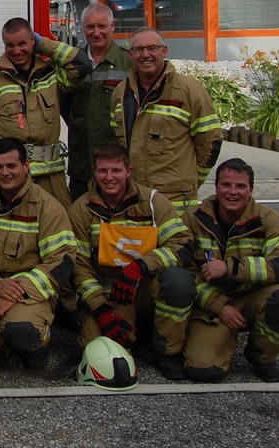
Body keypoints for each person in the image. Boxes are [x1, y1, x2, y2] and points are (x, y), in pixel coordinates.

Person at [68, 142, 195, 380]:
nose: (109, 177)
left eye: (116, 170)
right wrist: (101, 310)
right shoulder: (81, 210)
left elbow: (183, 245)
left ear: (129, 170)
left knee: (178, 282)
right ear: (94, 173)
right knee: (103, 357)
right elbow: (80, 269)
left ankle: (167, 352)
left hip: (145, 287)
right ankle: (135, 332)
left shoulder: (153, 203)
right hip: (106, 294)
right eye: (102, 171)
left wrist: (140, 267)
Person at [0, 138, 76, 372]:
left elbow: (61, 260)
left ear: (26, 166)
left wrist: (14, 292)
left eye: (11, 166)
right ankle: (2, 338)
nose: (5, 172)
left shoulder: (47, 206)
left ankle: (37, 343)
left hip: (30, 293)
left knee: (22, 331)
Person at [183, 158, 279, 383]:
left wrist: (229, 268)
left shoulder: (269, 220)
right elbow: (182, 273)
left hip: (251, 298)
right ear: (215, 188)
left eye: (240, 186)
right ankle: (219, 339)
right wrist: (220, 305)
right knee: (203, 371)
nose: (232, 192)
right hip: (211, 305)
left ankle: (261, 355)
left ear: (251, 190)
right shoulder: (193, 218)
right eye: (226, 185)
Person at [0, 17, 88, 209]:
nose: (16, 51)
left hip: (50, 175)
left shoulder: (51, 73)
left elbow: (82, 65)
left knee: (58, 227)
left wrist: (45, 45)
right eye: (10, 45)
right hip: (9, 178)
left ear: (33, 40)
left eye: (23, 43)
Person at [111, 27, 222, 211]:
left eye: (152, 48)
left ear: (164, 51)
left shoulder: (188, 91)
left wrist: (193, 179)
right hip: (134, 201)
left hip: (176, 203)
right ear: (130, 54)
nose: (145, 55)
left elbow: (211, 141)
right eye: (138, 49)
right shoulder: (120, 93)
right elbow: (118, 143)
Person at [61, 3, 132, 201]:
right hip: (82, 166)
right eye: (90, 27)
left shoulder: (129, 63)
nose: (96, 32)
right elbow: (65, 107)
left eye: (102, 26)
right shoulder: (73, 63)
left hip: (117, 168)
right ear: (83, 28)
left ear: (113, 27)